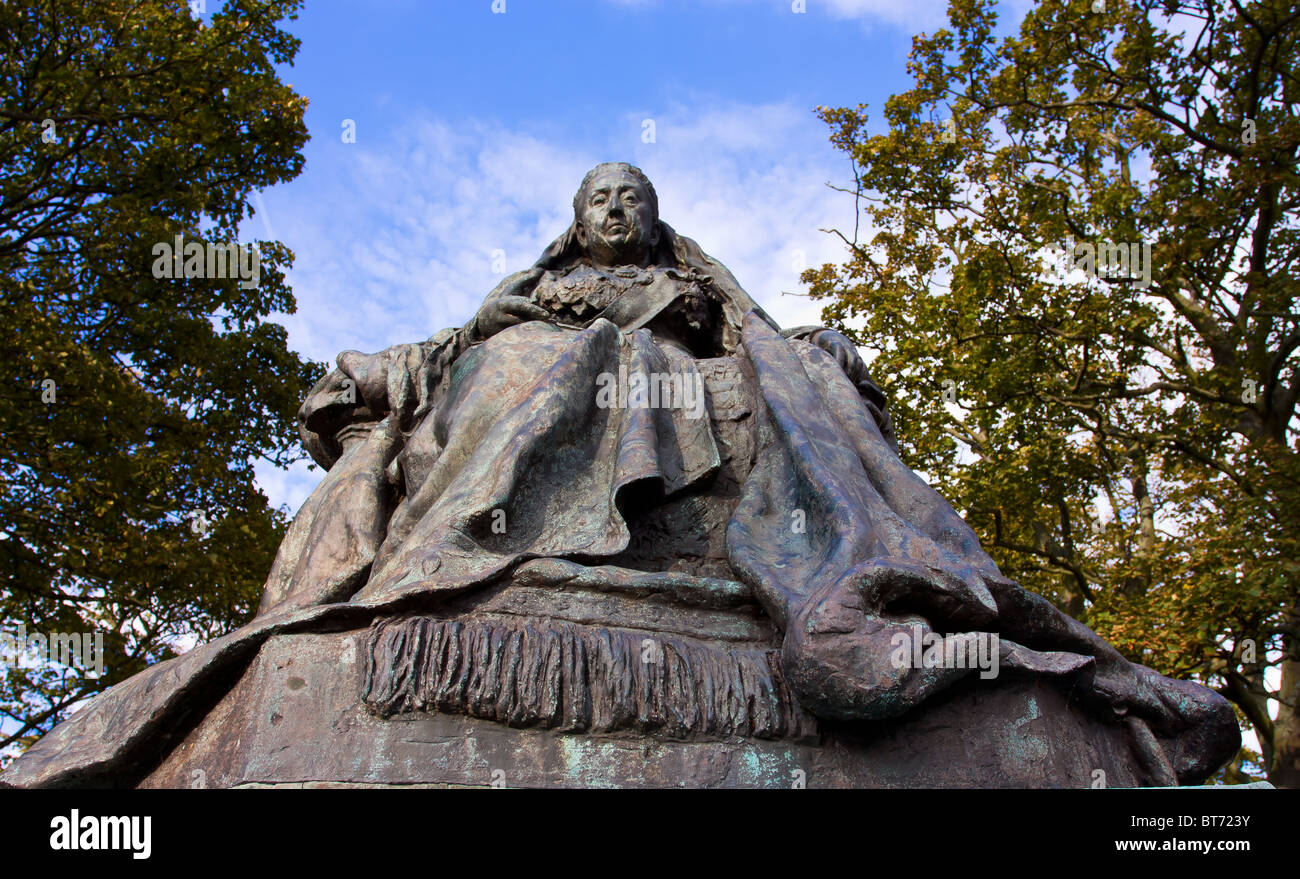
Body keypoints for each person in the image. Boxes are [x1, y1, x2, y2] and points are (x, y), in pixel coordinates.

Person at [5, 163, 1238, 788]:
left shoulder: (697, 297)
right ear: (574, 218)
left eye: (629, 197)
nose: (612, 209)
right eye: (596, 197)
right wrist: (423, 363)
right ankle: (485, 527)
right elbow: (450, 345)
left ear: (652, 219)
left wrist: (772, 348)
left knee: (687, 371)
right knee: (555, 360)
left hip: (672, 395)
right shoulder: (526, 298)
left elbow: (760, 345)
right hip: (546, 378)